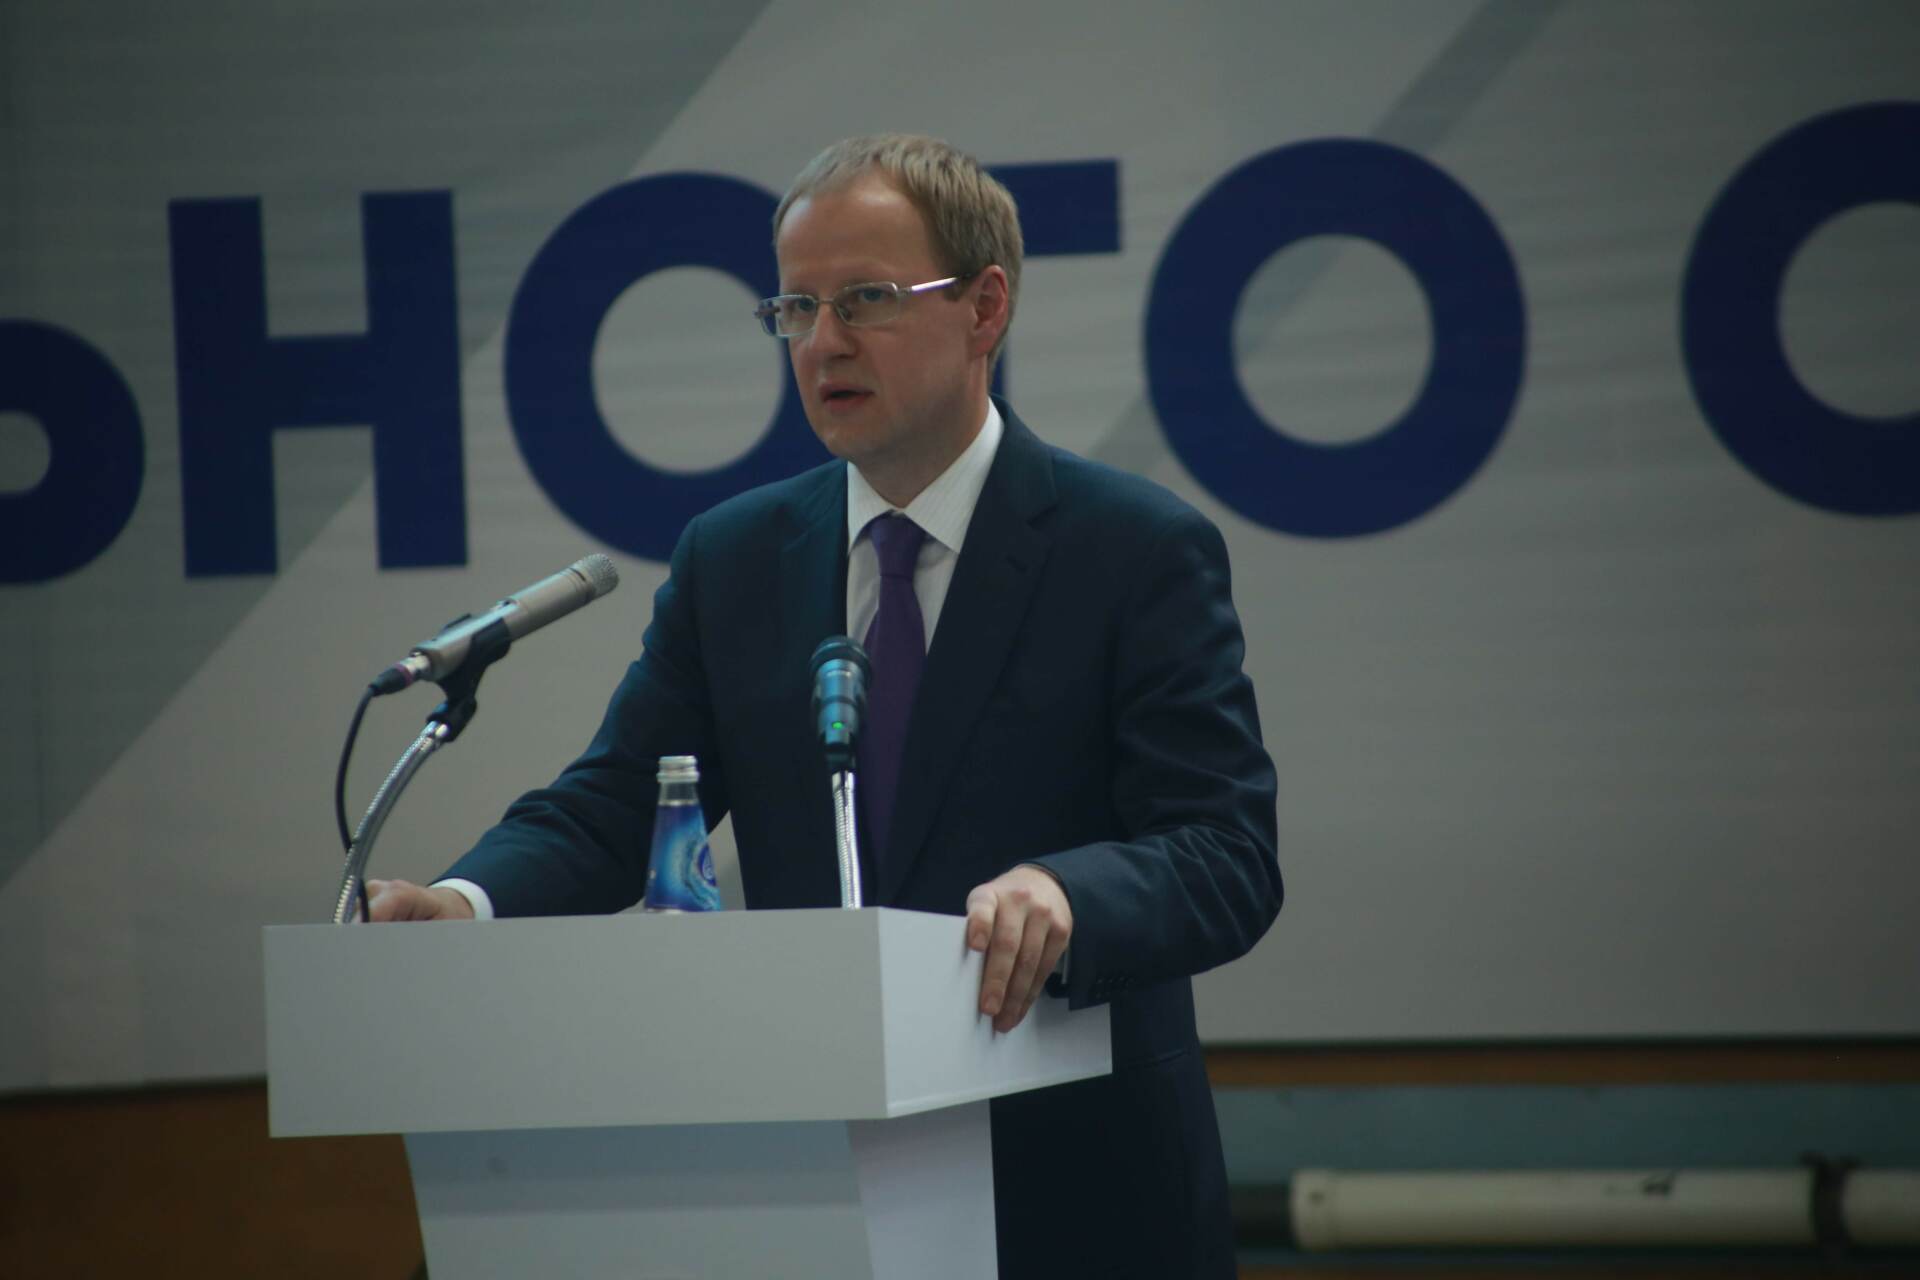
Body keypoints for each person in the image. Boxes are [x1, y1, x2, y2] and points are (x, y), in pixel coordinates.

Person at [369, 133, 1281, 1278]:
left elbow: (1226, 851)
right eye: (796, 307)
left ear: (985, 308)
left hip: (1078, 1189)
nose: (824, 342)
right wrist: (466, 902)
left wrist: (1068, 892)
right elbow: (615, 803)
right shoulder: (737, 558)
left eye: (866, 299)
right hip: (813, 1190)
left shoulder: (1132, 549)